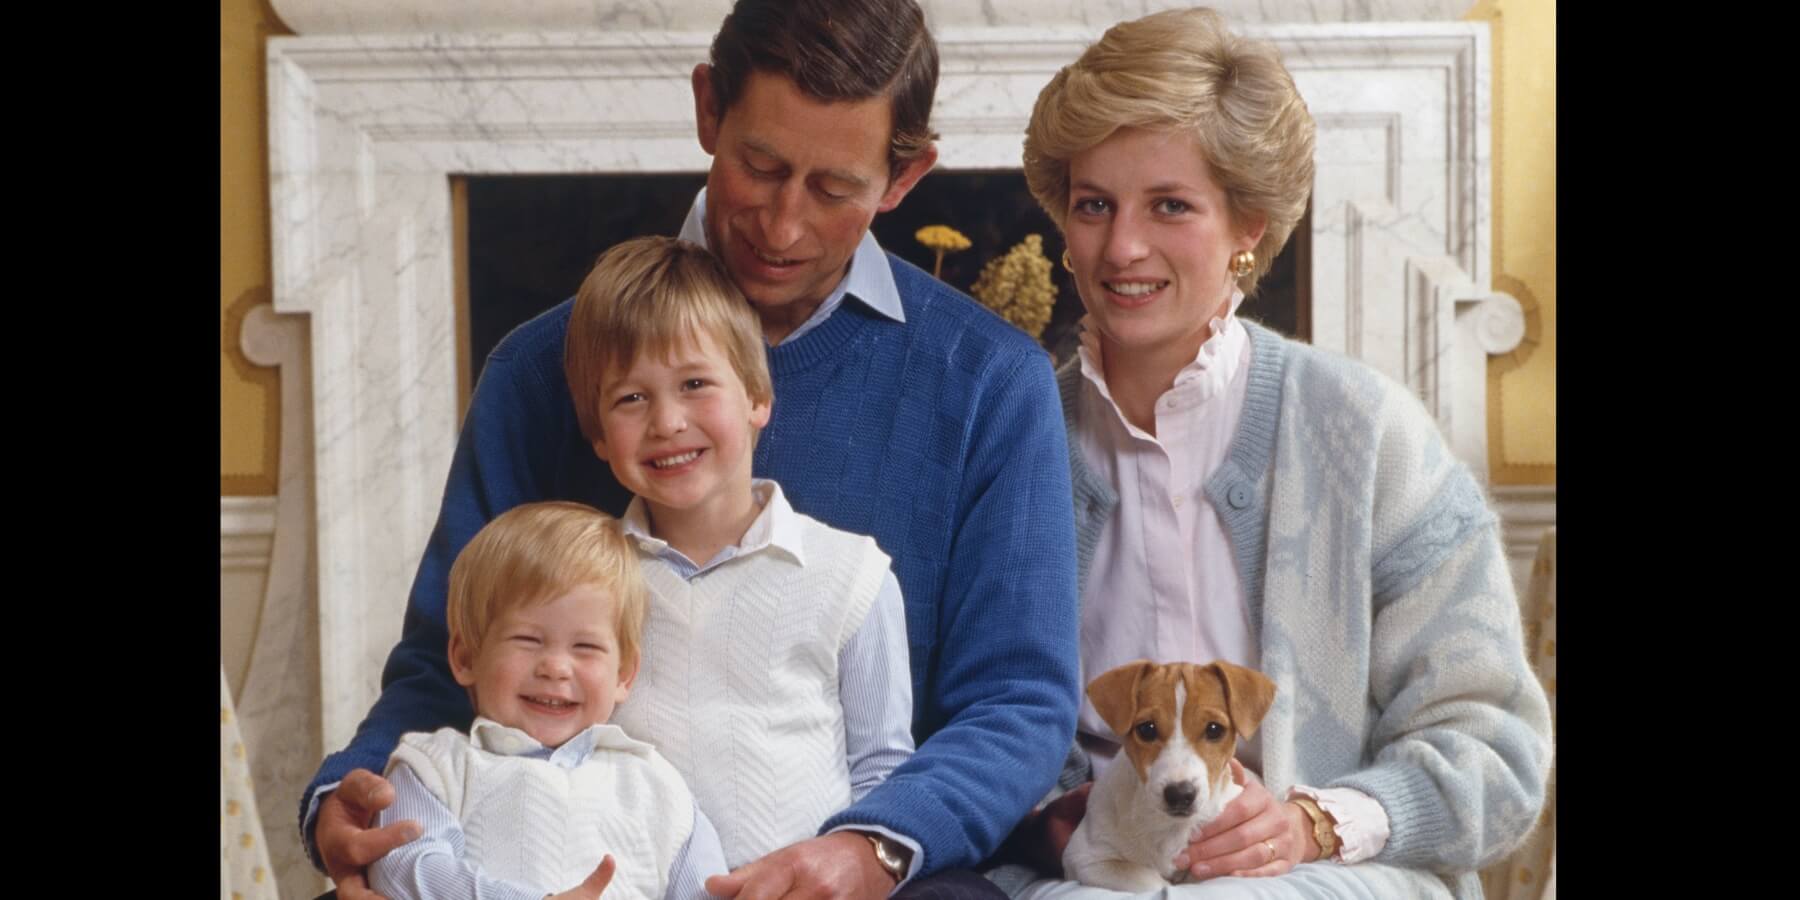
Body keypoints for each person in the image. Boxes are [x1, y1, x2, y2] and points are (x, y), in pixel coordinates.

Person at [300, 2, 1082, 899]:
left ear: (905, 175)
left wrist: (872, 848)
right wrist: (345, 800)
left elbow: (1017, 703)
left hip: (879, 867)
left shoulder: (992, 384)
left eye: (833, 189)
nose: (782, 226)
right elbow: (451, 656)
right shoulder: (537, 370)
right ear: (709, 108)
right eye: (759, 165)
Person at [994, 8, 1553, 899]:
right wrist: (1054, 820)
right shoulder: (1012, 431)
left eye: (1170, 205)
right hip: (1091, 873)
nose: (1122, 247)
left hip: (1327, 874)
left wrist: (1313, 820)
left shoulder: (1365, 430)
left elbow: (1498, 753)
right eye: (1094, 205)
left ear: (1248, 223)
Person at [565, 235, 917, 874]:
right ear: (597, 434)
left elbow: (882, 769)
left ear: (757, 397)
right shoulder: (583, 584)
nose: (667, 421)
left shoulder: (849, 574)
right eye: (630, 398)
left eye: (695, 383)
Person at [366, 501, 728, 900]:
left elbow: (708, 891)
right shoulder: (433, 767)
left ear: (624, 675)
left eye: (586, 646)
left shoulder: (658, 788)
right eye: (528, 640)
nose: (555, 667)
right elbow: (406, 870)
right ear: (467, 657)